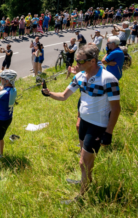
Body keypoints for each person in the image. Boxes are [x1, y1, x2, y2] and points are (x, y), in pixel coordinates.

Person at [41, 45, 121, 198]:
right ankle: (86, 180)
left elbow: (116, 108)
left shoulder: (108, 79)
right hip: (84, 122)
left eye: (79, 61)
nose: (76, 64)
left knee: (82, 162)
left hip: (98, 125)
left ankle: (82, 196)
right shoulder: (79, 76)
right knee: (85, 160)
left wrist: (109, 133)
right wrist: (49, 93)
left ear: (92, 61)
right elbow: (64, 96)